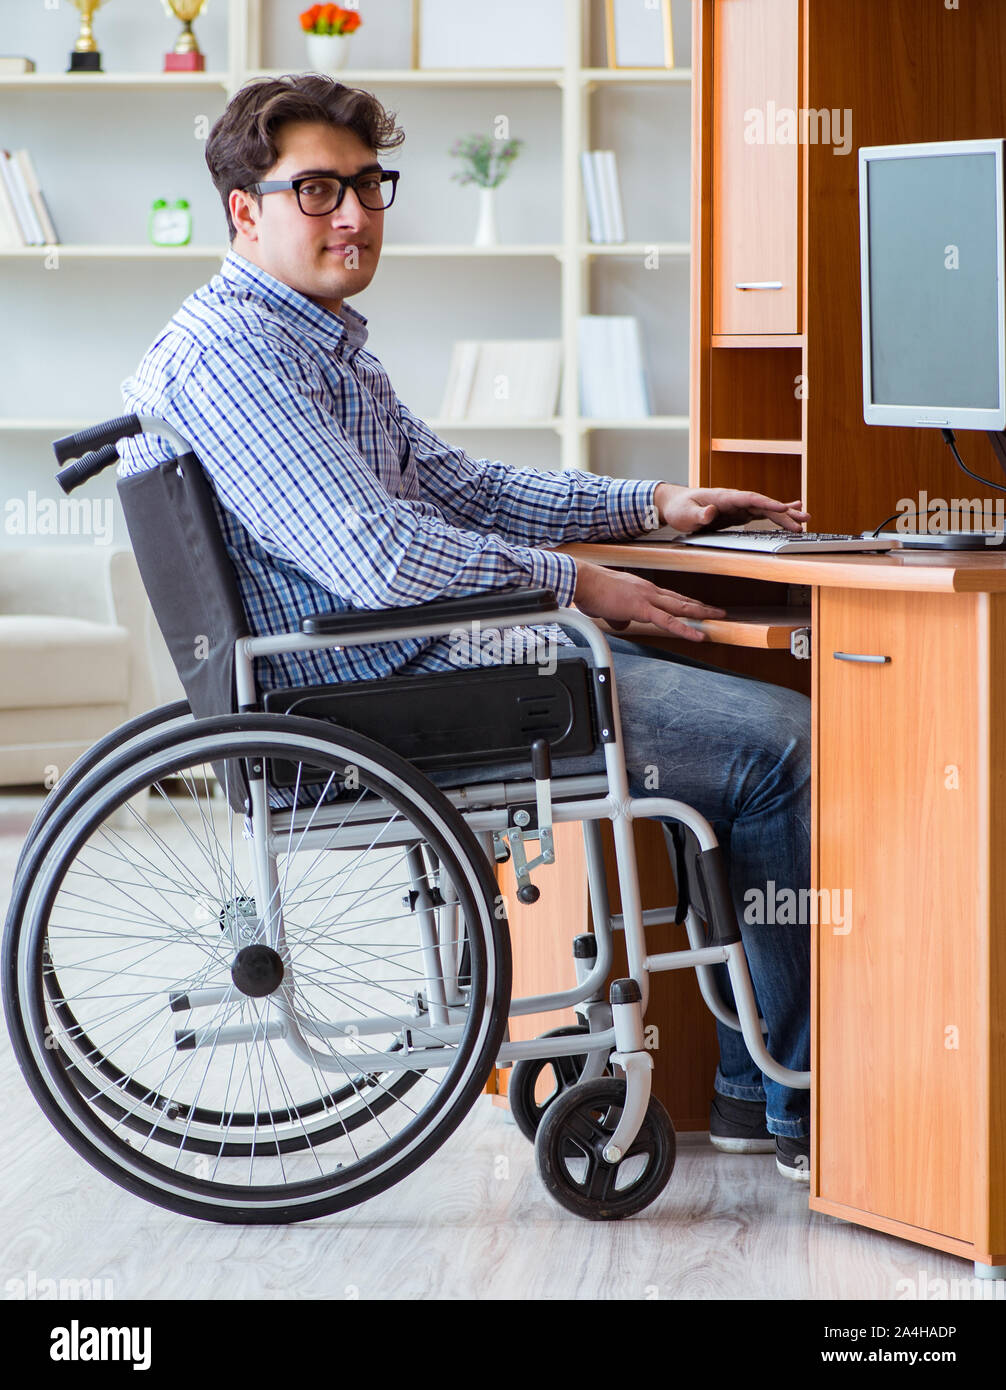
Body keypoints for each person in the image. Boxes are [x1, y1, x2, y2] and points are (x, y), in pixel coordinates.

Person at [118, 74, 812, 1180]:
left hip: (422, 666)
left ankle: (741, 1083)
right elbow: (378, 556)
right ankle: (789, 1105)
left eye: (366, 186)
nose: (353, 215)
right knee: (784, 743)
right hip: (387, 695)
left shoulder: (311, 338)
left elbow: (457, 488)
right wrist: (575, 583)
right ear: (244, 210)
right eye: (317, 191)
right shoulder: (235, 358)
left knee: (705, 694)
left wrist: (648, 507)